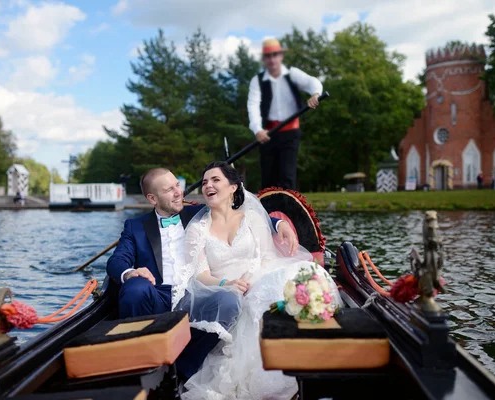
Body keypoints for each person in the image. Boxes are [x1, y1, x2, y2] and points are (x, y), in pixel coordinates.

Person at [106, 168, 298, 381]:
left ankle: (183, 369)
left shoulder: (197, 214)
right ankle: (139, 366)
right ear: (152, 198)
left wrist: (278, 223)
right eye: (170, 190)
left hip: (197, 293)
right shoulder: (135, 226)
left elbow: (237, 213)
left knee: (228, 300)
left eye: (177, 185)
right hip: (156, 294)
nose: (179, 192)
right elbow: (116, 261)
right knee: (135, 288)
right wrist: (131, 272)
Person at [172, 162, 342, 399]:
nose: (208, 185)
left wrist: (253, 278)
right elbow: (200, 274)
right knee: (250, 302)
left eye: (215, 180)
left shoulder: (251, 217)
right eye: (204, 182)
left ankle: (315, 356)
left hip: (259, 276)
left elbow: (267, 256)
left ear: (233, 187)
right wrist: (227, 285)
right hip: (225, 290)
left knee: (294, 276)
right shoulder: (197, 229)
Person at [247, 38, 323, 190]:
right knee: (268, 179)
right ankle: (267, 212)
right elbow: (253, 106)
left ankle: (287, 213)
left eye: (275, 55)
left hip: (290, 133)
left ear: (281, 56)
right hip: (267, 135)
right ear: (264, 59)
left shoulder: (293, 74)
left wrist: (315, 94)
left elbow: (313, 82)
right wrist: (258, 129)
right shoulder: (257, 81)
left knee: (286, 176)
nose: (272, 59)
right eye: (268, 56)